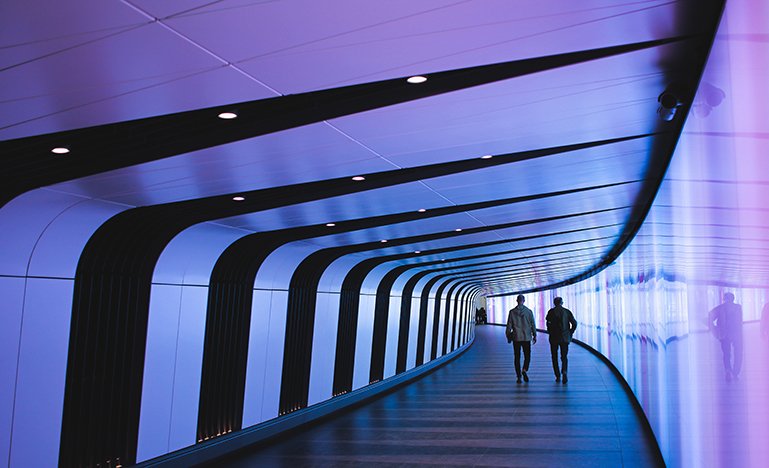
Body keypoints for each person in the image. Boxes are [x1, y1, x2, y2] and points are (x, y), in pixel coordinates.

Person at [709, 292, 743, 381]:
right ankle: (736, 372)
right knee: (738, 353)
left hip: (724, 334)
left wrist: (715, 329)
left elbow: (708, 318)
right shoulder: (738, 308)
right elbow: (739, 322)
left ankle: (728, 370)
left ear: (724, 299)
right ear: (733, 299)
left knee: (726, 354)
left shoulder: (720, 308)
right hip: (737, 334)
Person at [546, 297, 577, 383]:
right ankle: (564, 371)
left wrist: (550, 332)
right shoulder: (566, 312)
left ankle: (557, 376)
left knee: (554, 356)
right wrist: (570, 332)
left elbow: (548, 324)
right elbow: (574, 323)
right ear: (562, 303)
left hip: (554, 337)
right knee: (564, 356)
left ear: (554, 303)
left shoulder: (551, 312)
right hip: (564, 337)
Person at [506, 295, 537, 383]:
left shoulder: (512, 312)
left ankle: (519, 377)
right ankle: (524, 369)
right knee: (527, 355)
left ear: (517, 301)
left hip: (516, 337)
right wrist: (534, 335)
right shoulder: (528, 312)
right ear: (524, 301)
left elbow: (509, 325)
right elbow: (532, 324)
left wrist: (508, 336)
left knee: (517, 357)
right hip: (526, 337)